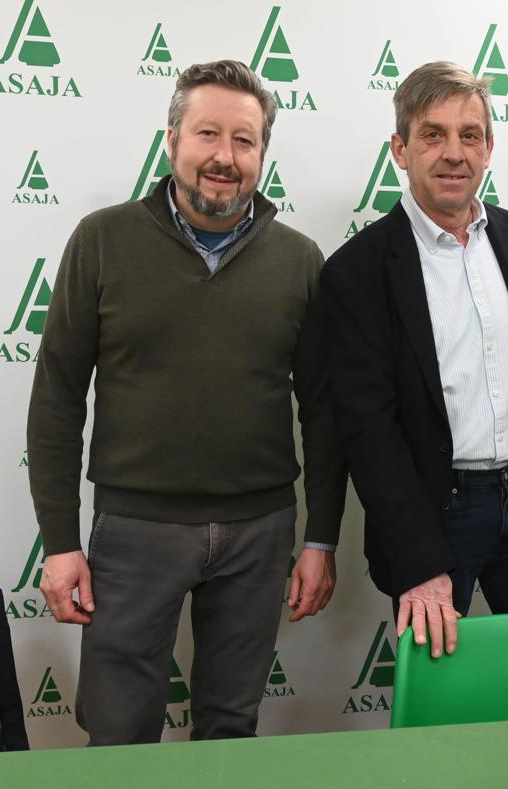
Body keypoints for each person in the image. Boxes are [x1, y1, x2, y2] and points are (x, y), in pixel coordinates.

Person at [27, 60, 346, 744]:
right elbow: (56, 395)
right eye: (207, 134)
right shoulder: (103, 241)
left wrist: (320, 536)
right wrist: (59, 542)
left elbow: (324, 411)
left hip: (260, 531)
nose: (224, 158)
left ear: (262, 153)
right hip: (136, 531)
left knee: (231, 730)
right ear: (172, 140)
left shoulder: (300, 261)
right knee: (119, 730)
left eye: (244, 140)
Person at [320, 61, 508, 659]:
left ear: (489, 148)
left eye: (470, 135)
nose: (453, 153)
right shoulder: (357, 270)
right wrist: (418, 561)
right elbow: (368, 431)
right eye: (432, 134)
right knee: (438, 703)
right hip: (434, 512)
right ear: (400, 148)